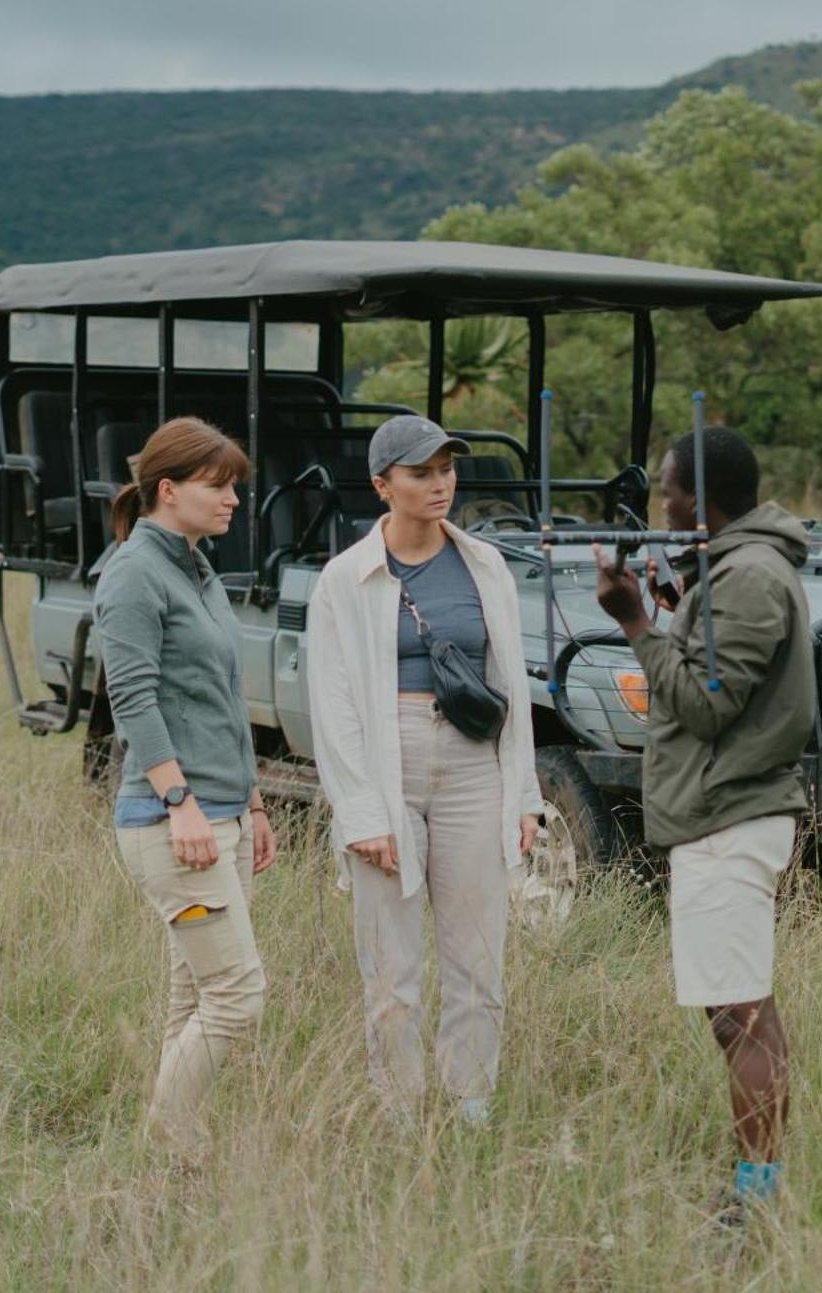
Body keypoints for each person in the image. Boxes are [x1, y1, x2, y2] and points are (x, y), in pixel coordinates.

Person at [593, 425, 816, 1218]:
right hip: (721, 809)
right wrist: (674, 617)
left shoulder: (749, 577)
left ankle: (754, 1200)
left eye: (667, 488)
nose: (660, 500)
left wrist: (636, 627)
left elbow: (706, 704)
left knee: (742, 1017)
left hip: (731, 814)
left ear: (700, 498)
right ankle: (760, 1186)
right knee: (739, 1010)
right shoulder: (730, 571)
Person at [307, 414, 542, 1126]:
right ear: (383, 485)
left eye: (446, 468)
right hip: (390, 754)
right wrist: (361, 811)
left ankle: (471, 1103)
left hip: (473, 757)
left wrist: (523, 792)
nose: (440, 483)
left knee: (477, 954)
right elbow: (335, 702)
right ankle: (400, 1109)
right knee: (391, 962)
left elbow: (513, 682)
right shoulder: (347, 577)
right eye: (420, 472)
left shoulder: (484, 563)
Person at [93, 416, 277, 1160]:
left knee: (195, 995)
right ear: (167, 490)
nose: (233, 498)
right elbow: (133, 699)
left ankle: (174, 1167)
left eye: (234, 484)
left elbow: (222, 697)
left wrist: (255, 801)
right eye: (218, 484)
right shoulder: (135, 572)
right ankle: (161, 1142)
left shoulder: (196, 567)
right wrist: (182, 804)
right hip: (175, 824)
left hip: (225, 814)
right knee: (238, 997)